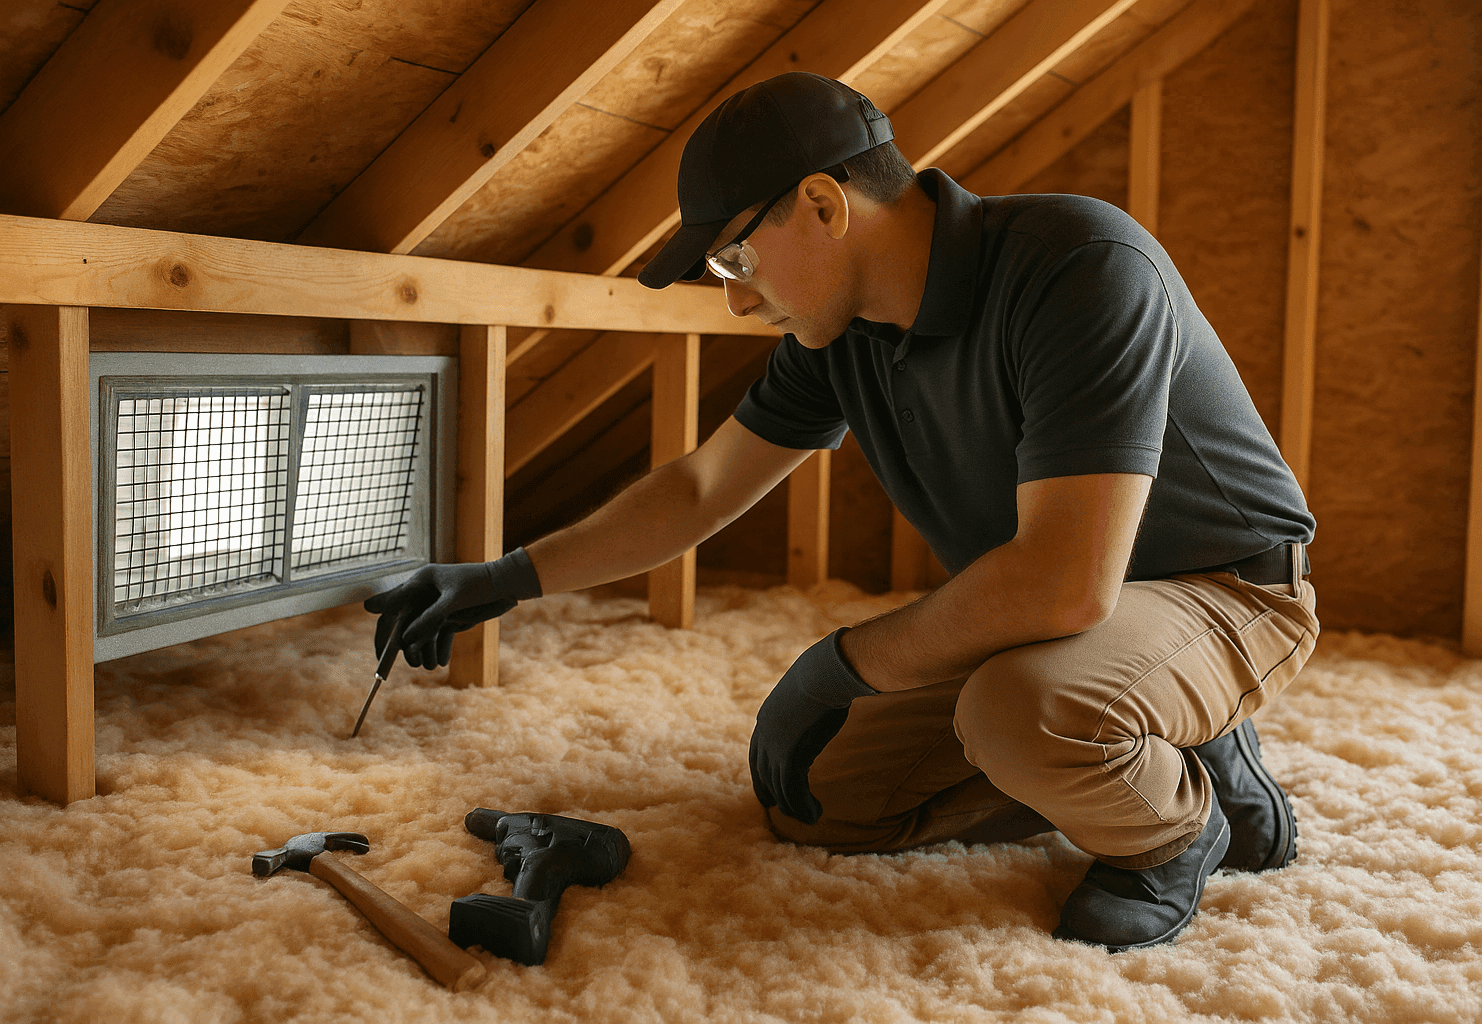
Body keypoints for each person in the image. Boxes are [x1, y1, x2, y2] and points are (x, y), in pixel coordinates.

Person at [364, 72, 1319, 953]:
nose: (737, 302)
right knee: (821, 798)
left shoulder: (1080, 264)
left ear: (823, 204)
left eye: (736, 256)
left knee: (1021, 712)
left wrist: (840, 665)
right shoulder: (844, 335)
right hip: (1047, 617)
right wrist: (504, 577)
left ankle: (1177, 829)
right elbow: (702, 489)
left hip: (1221, 590)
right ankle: (1127, 729)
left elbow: (1066, 582)